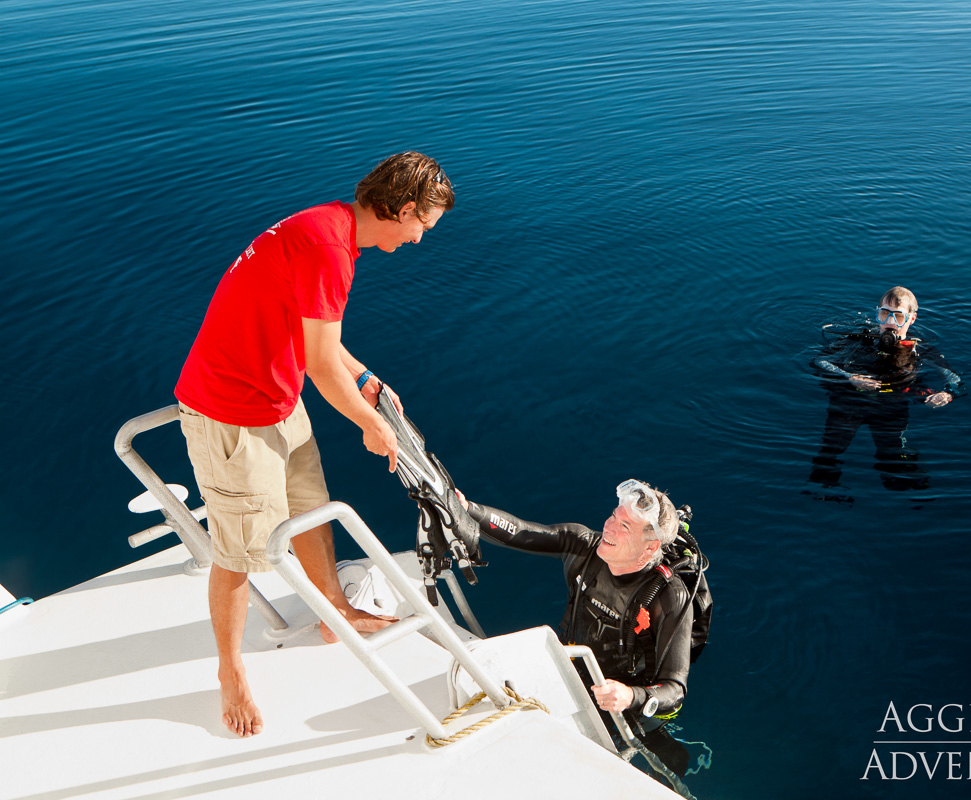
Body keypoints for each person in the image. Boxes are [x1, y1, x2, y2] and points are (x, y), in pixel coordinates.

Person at [174, 152, 454, 737]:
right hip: (232, 413)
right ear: (402, 210)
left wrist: (365, 378)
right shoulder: (329, 249)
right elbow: (323, 366)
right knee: (239, 551)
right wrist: (369, 423)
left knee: (308, 508)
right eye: (421, 226)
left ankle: (335, 611)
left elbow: (321, 343)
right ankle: (229, 671)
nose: (420, 239)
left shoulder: (332, 229)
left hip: (276, 397)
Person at [455, 480, 694, 773]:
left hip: (621, 703)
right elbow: (522, 531)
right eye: (613, 516)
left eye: (625, 527)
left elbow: (675, 689)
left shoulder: (669, 597)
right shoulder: (584, 546)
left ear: (650, 547)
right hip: (569, 668)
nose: (609, 527)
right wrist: (469, 510)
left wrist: (631, 696)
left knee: (663, 767)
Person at [809, 286, 963, 493]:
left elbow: (954, 379)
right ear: (877, 314)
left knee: (893, 455)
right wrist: (849, 377)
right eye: (884, 314)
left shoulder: (921, 350)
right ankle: (823, 488)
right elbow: (819, 361)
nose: (889, 323)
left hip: (891, 406)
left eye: (898, 316)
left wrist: (947, 393)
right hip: (850, 402)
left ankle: (904, 491)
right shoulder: (860, 341)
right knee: (830, 451)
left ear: (911, 319)